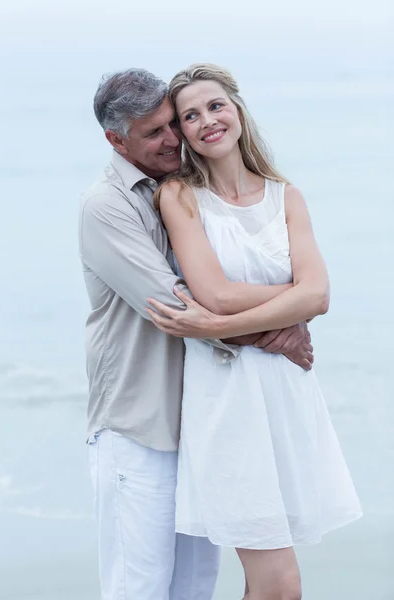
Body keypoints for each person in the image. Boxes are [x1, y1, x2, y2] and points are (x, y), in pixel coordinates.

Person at [79, 69, 314, 600]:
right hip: (138, 430)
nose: (172, 139)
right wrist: (287, 321)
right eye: (154, 132)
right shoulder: (107, 205)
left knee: (193, 590)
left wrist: (299, 306)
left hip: (199, 427)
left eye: (172, 124)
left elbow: (230, 291)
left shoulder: (182, 191)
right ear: (117, 140)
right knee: (137, 590)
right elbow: (181, 304)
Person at [146, 63, 363, 600]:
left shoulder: (285, 195)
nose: (206, 121)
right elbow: (216, 291)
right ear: (184, 133)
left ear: (237, 110)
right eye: (190, 116)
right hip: (228, 400)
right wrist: (291, 308)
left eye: (215, 106)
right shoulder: (179, 196)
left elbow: (319, 297)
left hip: (287, 398)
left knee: (263, 584)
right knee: (281, 585)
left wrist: (220, 324)